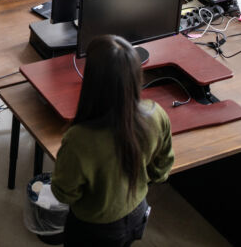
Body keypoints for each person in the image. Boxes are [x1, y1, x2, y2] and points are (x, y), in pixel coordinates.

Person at [51, 35, 174, 246]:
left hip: (94, 227)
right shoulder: (156, 114)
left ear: (92, 81)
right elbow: (162, 168)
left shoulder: (79, 139)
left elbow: (65, 193)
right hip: (137, 211)